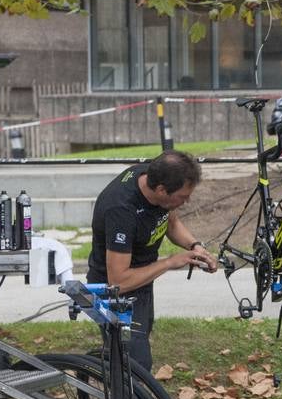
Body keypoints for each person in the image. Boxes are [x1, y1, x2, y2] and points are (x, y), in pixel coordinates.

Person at [87, 150, 217, 371]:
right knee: (135, 364)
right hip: (113, 293)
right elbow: (118, 281)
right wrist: (169, 262)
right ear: (161, 190)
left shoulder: (153, 179)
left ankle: (117, 397)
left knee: (128, 359)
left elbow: (170, 221)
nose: (186, 202)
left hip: (141, 282)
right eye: (183, 197)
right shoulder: (121, 209)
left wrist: (194, 246)